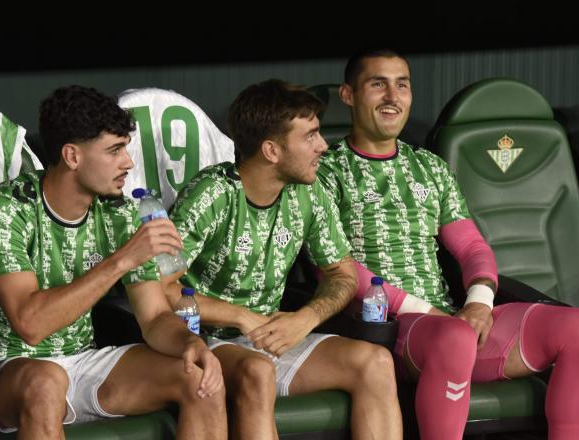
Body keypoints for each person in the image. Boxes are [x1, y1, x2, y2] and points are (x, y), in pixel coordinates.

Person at [317, 48, 579, 440]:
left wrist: (477, 304)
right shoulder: (323, 171)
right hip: (381, 327)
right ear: (348, 95)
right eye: (378, 84)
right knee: (456, 337)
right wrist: (432, 314)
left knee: (577, 328)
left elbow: (472, 248)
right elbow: (337, 266)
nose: (392, 96)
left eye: (402, 85)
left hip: (449, 323)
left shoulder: (431, 168)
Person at [0, 85, 226, 439]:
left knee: (200, 379)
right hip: (0, 373)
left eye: (125, 149)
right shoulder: (6, 210)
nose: (128, 162)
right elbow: (31, 324)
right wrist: (122, 259)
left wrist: (192, 345)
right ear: (72, 156)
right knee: (45, 384)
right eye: (114, 150)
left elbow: (156, 317)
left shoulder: (123, 213)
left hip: (80, 361)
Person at [164, 79, 403, 440]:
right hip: (204, 342)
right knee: (258, 371)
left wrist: (305, 318)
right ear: (271, 150)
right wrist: (241, 316)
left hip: (272, 337)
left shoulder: (309, 191)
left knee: (376, 363)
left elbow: (342, 273)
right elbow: (162, 288)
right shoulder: (211, 194)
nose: (323, 146)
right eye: (310, 136)